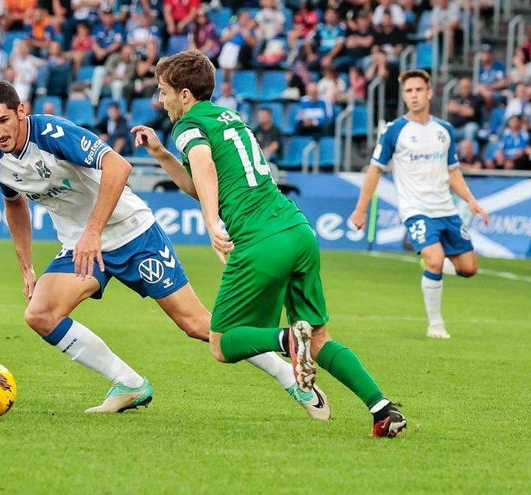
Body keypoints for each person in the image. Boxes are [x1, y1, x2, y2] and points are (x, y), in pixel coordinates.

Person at [0, 80, 325, 418]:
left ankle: (291, 377)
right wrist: (27, 268)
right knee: (40, 315)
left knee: (196, 324)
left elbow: (118, 165)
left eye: (4, 120)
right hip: (81, 246)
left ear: (21, 111)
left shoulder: (52, 134)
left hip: (133, 233)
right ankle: (128, 383)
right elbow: (15, 205)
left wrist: (94, 231)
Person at [132, 50, 403, 437]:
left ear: (186, 95)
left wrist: (211, 223)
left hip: (261, 241)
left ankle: (287, 340)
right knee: (320, 338)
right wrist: (160, 154)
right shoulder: (227, 118)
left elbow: (205, 167)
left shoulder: (189, 125)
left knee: (222, 343)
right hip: (297, 231)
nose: (161, 100)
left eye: (164, 92)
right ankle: (383, 409)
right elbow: (204, 184)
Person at [350, 70, 489, 340]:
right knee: (435, 261)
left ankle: (431, 261)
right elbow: (375, 170)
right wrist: (361, 208)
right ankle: (435, 324)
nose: (413, 95)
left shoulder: (444, 130)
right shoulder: (395, 131)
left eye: (418, 90)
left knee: (469, 269)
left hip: (446, 210)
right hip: (416, 210)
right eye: (408, 91)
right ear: (404, 96)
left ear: (429, 93)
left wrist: (471, 200)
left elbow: (453, 171)